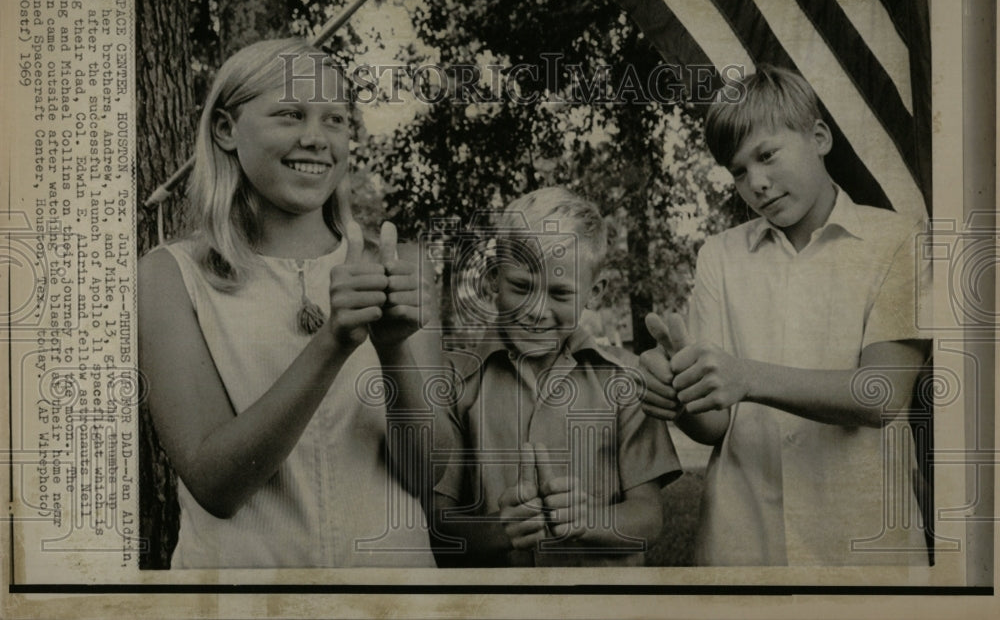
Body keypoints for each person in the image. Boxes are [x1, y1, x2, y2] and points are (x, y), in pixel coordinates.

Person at [138, 38, 439, 568]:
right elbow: (216, 484)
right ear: (226, 130)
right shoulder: (170, 276)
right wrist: (333, 342)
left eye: (336, 120)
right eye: (290, 114)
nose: (316, 139)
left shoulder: (402, 266)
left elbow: (428, 473)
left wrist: (394, 352)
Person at [639, 65, 931, 566]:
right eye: (737, 170)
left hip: (863, 546)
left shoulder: (900, 240)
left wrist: (744, 376)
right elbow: (714, 424)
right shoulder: (720, 255)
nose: (757, 182)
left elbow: (881, 394)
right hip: (745, 542)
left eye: (767, 155)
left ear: (818, 137)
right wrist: (679, 395)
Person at [432, 187, 680, 567]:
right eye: (521, 287)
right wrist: (502, 531)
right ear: (494, 279)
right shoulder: (454, 382)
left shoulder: (626, 381)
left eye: (561, 293)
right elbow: (437, 527)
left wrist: (587, 521)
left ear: (593, 293)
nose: (537, 310)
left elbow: (648, 518)